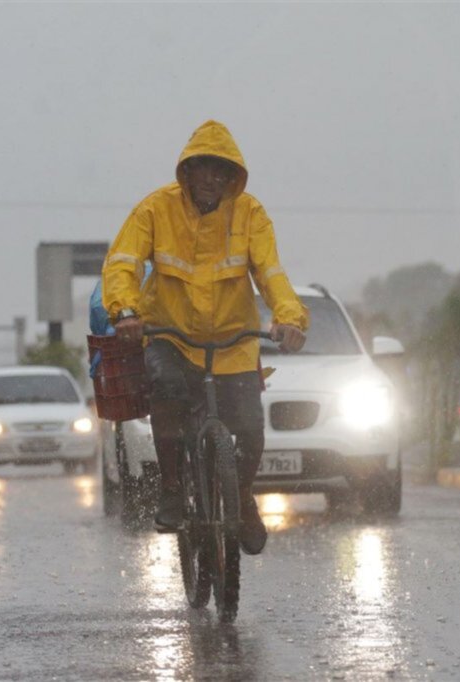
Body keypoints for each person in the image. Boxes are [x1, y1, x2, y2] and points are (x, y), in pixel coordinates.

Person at [101, 120, 308, 555]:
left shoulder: (250, 214)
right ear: (188, 172)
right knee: (168, 390)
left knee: (250, 428)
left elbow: (271, 274)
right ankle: (173, 488)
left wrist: (290, 319)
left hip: (234, 342)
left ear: (233, 177)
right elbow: (123, 262)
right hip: (169, 335)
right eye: (204, 170)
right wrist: (125, 311)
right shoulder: (155, 210)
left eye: (222, 172)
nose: (212, 179)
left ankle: (244, 497)